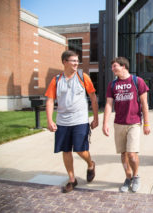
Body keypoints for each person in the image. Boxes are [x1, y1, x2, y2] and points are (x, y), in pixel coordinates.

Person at [45, 50, 99, 193]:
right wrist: (50, 120)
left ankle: (90, 164)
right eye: (73, 60)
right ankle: (72, 179)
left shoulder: (83, 77)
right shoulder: (56, 80)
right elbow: (50, 101)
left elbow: (93, 98)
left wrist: (96, 117)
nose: (76, 63)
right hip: (62, 122)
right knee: (66, 150)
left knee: (81, 150)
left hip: (80, 120)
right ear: (64, 62)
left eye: (77, 61)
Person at [102, 57, 150, 193]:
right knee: (123, 154)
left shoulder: (137, 81)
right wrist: (105, 123)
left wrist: (146, 123)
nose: (112, 69)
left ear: (124, 66)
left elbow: (145, 104)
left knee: (131, 154)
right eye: (112, 67)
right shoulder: (112, 85)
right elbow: (108, 104)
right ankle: (128, 177)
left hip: (134, 122)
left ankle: (136, 176)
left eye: (115, 66)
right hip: (119, 123)